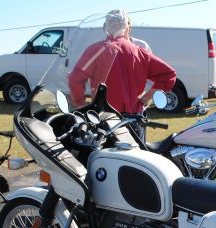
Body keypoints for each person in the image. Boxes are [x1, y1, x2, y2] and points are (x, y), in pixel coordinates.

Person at [68, 9, 176, 141]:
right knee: (137, 158)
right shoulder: (139, 51)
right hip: (133, 118)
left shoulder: (95, 50)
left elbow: (75, 80)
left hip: (103, 118)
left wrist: (80, 106)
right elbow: (169, 75)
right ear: (127, 28)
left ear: (104, 28)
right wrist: (146, 98)